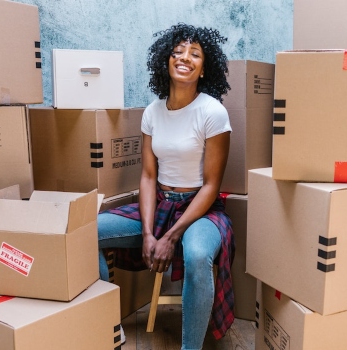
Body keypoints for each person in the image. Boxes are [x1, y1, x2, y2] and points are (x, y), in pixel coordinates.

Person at [97, 23, 235, 350]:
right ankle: (104, 326)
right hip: (161, 204)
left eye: (195, 54)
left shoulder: (213, 112)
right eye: (178, 52)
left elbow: (212, 186)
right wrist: (148, 234)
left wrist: (171, 236)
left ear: (205, 68)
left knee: (198, 253)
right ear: (166, 60)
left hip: (201, 210)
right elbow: (147, 176)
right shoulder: (152, 112)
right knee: (86, 231)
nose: (185, 58)